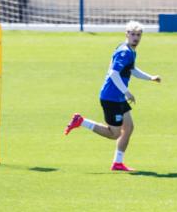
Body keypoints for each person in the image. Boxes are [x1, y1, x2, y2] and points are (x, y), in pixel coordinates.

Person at [64, 20, 161, 172]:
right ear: (126, 34)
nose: (136, 38)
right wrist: (126, 91)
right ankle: (81, 121)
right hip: (111, 97)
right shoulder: (124, 52)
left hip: (118, 97)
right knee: (114, 134)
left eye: (139, 35)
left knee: (128, 128)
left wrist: (150, 78)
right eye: (133, 34)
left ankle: (118, 163)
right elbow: (114, 73)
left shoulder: (130, 50)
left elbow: (132, 70)